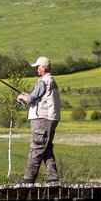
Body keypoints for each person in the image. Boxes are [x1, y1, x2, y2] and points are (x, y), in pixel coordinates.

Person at [16, 55, 60, 183]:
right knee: (46, 148)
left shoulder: (43, 81)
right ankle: (53, 178)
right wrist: (28, 96)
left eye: (38, 67)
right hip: (51, 118)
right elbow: (38, 97)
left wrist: (22, 97)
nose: (37, 70)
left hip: (42, 119)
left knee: (37, 147)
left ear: (44, 68)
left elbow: (31, 99)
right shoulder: (51, 81)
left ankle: (28, 179)